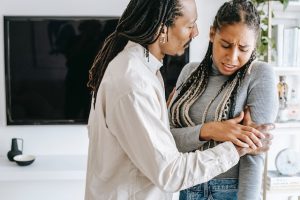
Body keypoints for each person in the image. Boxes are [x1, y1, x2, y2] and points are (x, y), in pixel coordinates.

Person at [84, 0, 272, 199]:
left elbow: (164, 147)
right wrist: (234, 146)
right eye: (189, 25)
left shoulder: (146, 72)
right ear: (162, 28)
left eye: (243, 48)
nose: (195, 33)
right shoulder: (135, 83)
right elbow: (170, 172)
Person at [168, 0, 279, 200]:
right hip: (188, 185)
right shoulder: (189, 72)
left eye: (244, 49)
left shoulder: (259, 75)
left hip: (230, 192)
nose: (232, 57)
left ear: (254, 46)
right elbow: (168, 141)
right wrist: (210, 130)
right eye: (225, 45)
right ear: (212, 34)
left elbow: (253, 155)